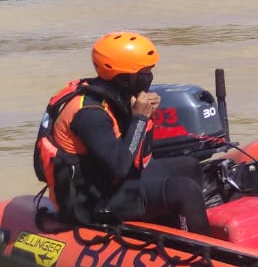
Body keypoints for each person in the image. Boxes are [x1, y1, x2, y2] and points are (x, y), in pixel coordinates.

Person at [34, 32, 210, 234]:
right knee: (184, 190)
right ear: (124, 78)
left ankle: (176, 225)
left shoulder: (114, 95)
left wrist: (143, 117)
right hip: (89, 201)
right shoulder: (91, 115)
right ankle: (203, 254)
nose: (150, 77)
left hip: (106, 182)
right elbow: (121, 168)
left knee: (190, 167)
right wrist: (140, 119)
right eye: (144, 72)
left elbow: (133, 156)